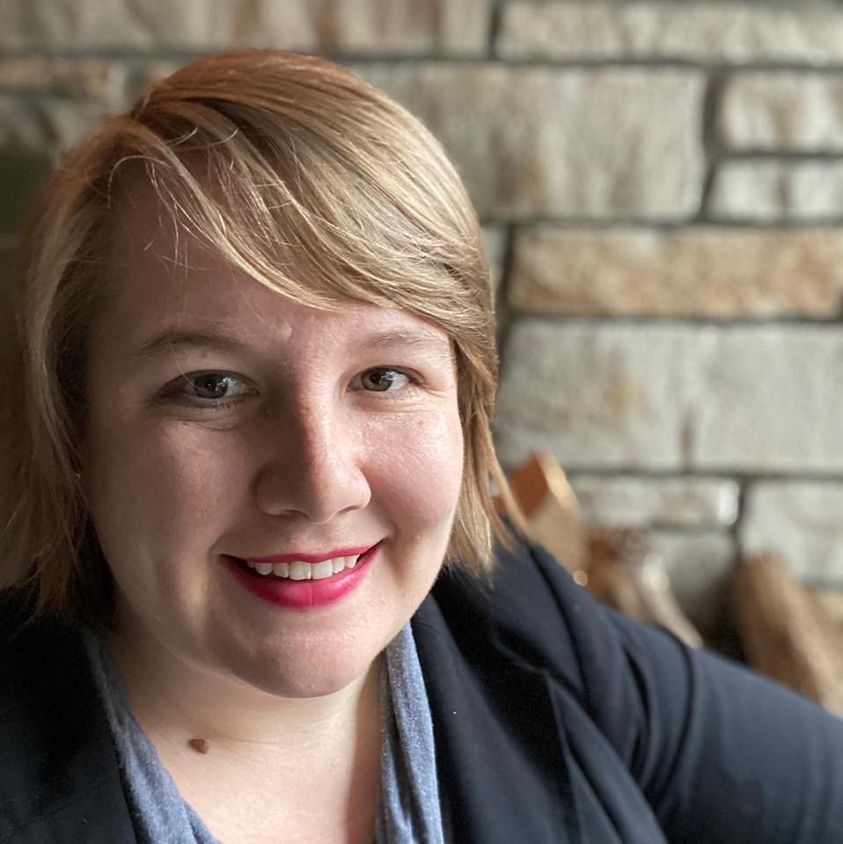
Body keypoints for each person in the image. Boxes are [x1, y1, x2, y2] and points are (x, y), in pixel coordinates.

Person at [1, 50, 842, 844]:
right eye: (211, 385)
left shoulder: (518, 623)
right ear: (73, 426)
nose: (322, 482)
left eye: (383, 377)